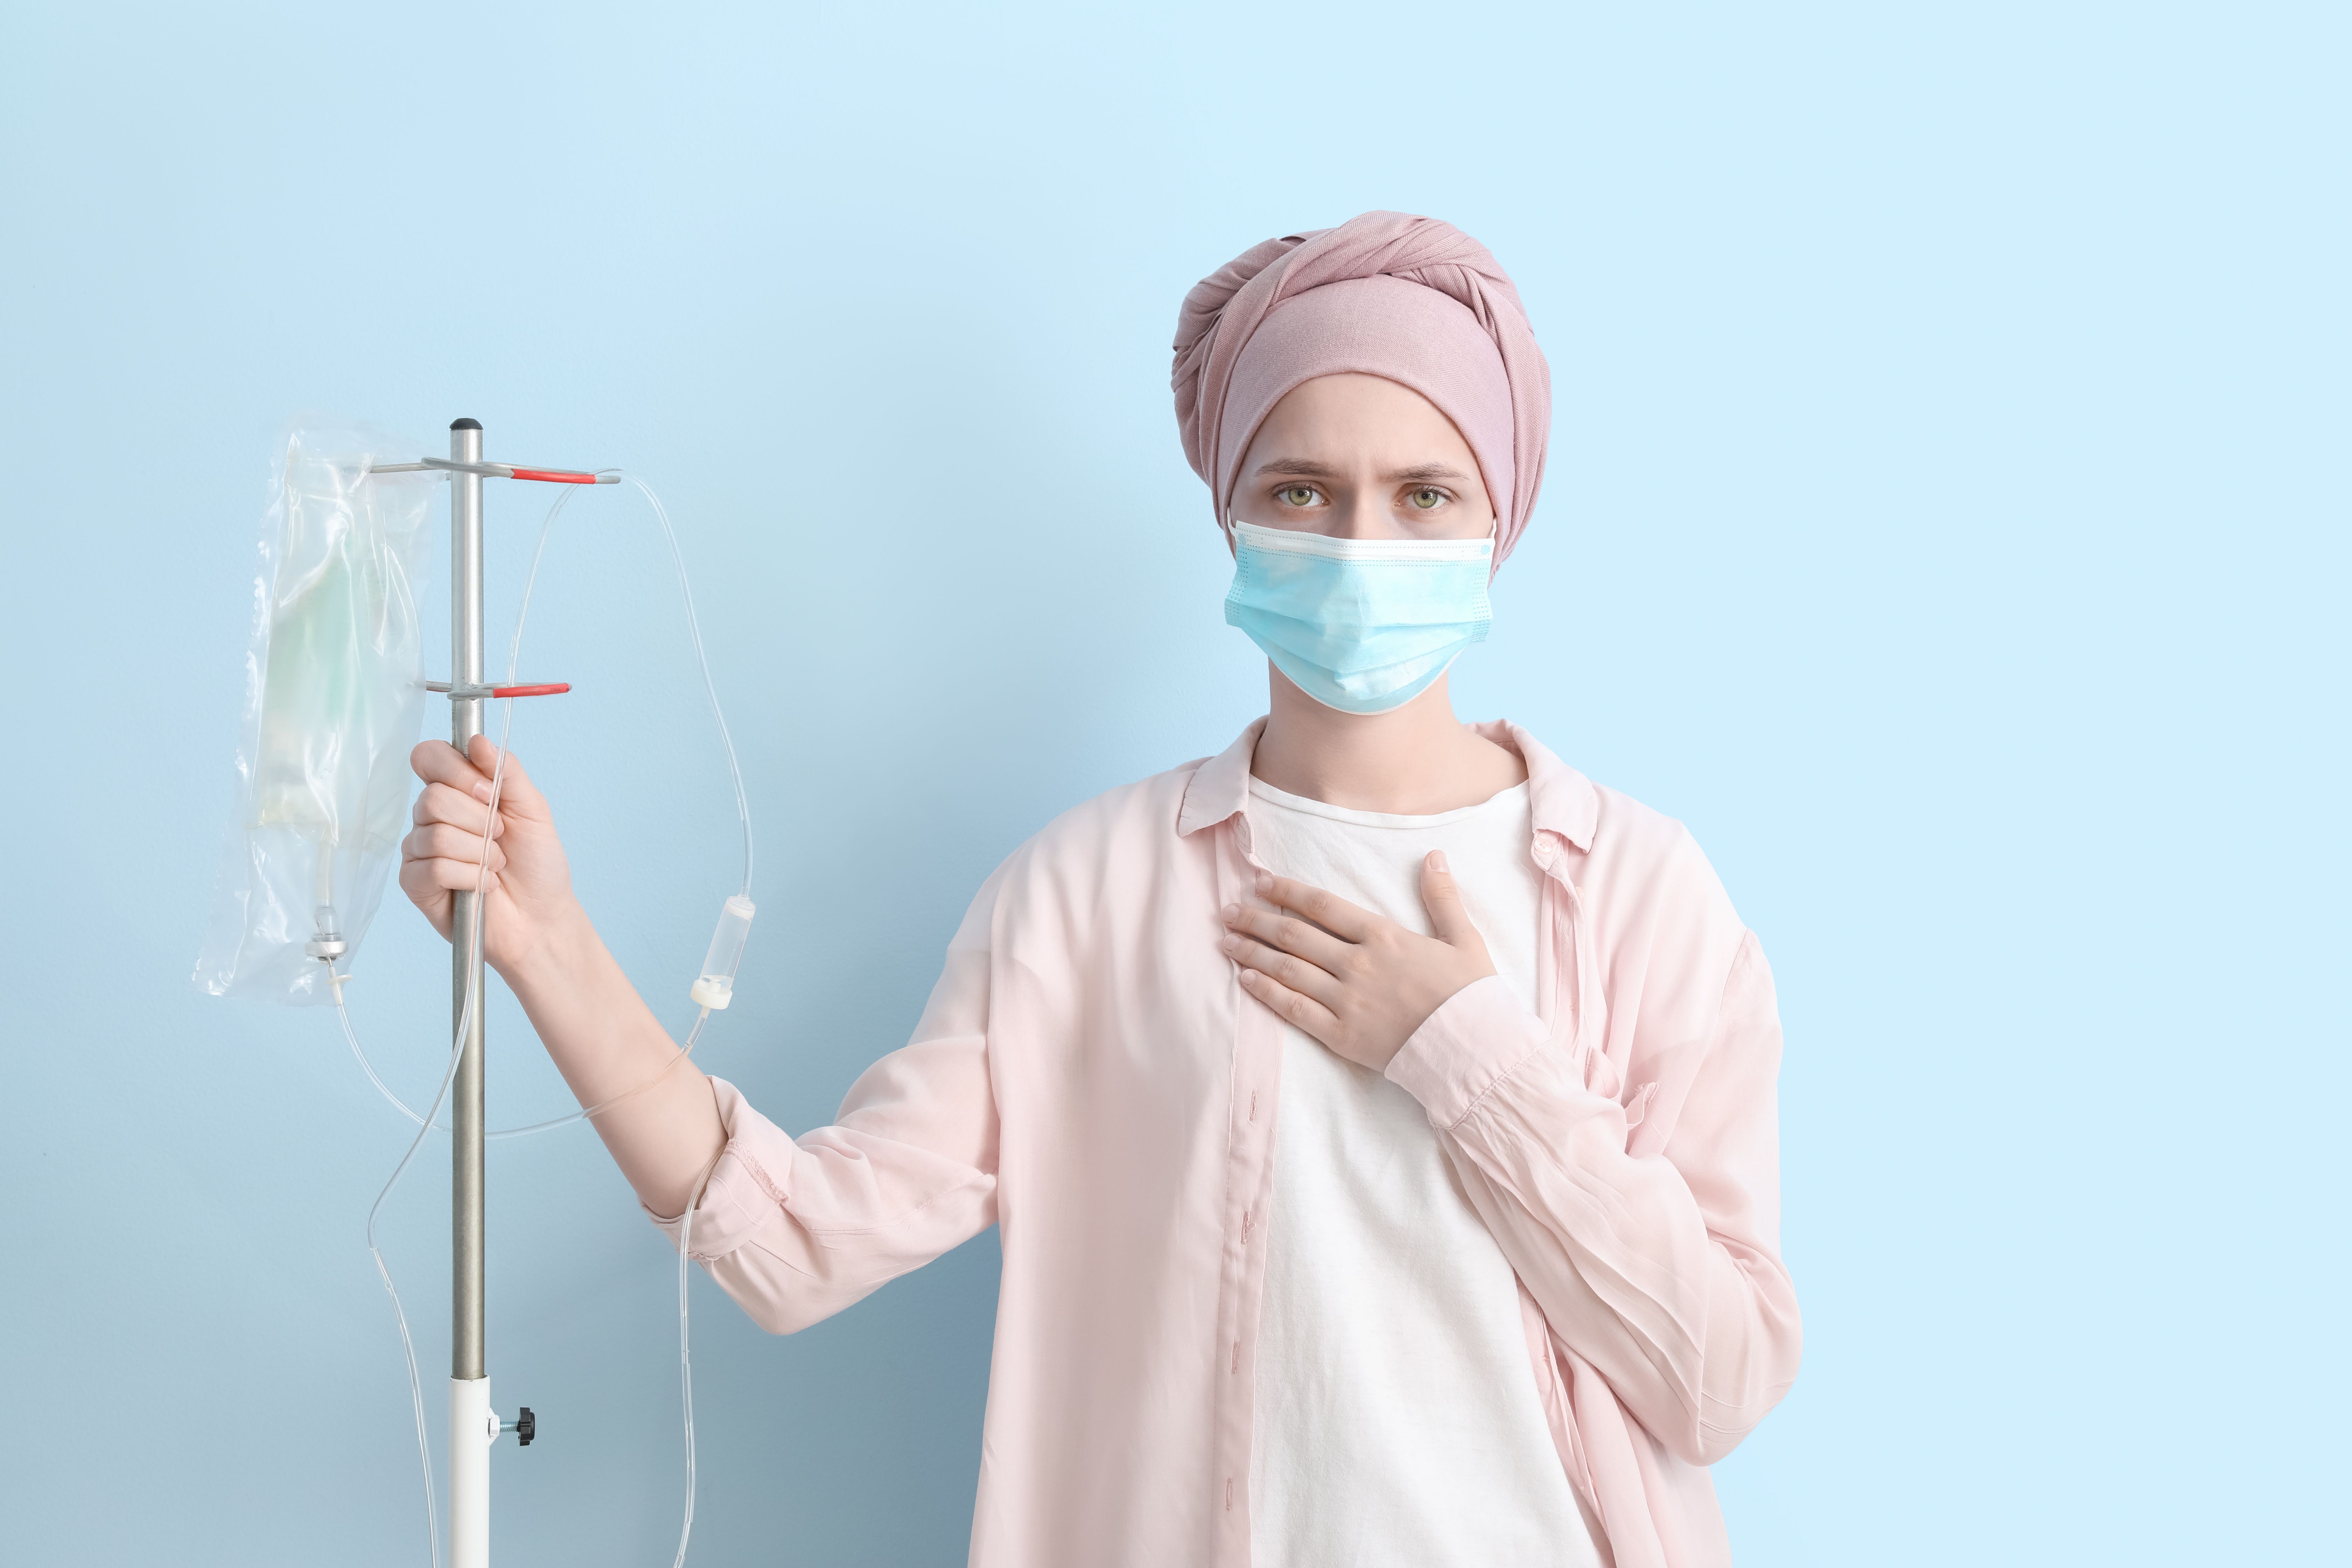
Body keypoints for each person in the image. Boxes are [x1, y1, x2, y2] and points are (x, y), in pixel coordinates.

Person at [400, 211, 1800, 1568]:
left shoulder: (1643, 897)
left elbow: (1721, 1383)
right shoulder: (1083, 896)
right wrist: (548, 945)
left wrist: (1466, 1055)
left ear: (1500, 517)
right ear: (1232, 516)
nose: (1360, 542)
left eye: (1424, 494)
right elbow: (794, 1248)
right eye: (1300, 490)